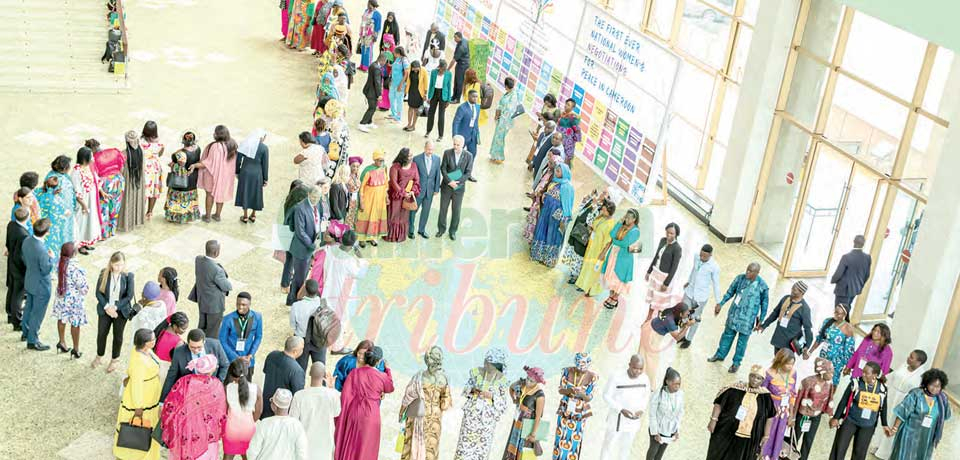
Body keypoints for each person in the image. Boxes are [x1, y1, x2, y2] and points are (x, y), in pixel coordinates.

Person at [160, 354, 228, 459]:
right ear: (211, 370)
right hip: (206, 436)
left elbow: (170, 405)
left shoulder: (184, 381)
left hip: (184, 433)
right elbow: (221, 413)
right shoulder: (217, 385)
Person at [334, 346, 395, 460]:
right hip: (371, 414)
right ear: (379, 361)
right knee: (366, 448)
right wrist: (388, 370)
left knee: (351, 444)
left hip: (354, 411)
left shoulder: (354, 373)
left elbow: (346, 395)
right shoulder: (382, 376)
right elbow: (390, 387)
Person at [708, 262, 770, 373]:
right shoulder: (740, 279)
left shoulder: (763, 287)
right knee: (726, 336)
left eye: (751, 271)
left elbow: (764, 305)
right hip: (734, 315)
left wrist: (761, 320)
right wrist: (721, 304)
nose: (747, 272)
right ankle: (720, 354)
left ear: (757, 273)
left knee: (742, 343)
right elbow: (730, 292)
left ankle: (736, 363)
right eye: (747, 269)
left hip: (747, 320)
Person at [705, 364, 776, 460]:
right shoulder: (735, 388)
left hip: (750, 437)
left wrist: (766, 435)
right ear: (748, 376)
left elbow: (770, 416)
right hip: (728, 431)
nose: (755, 380)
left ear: (763, 380)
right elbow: (719, 403)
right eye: (752, 376)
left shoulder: (765, 396)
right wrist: (713, 420)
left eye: (758, 378)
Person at [453, 348, 510, 460]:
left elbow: (503, 404)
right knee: (464, 447)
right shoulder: (476, 372)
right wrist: (474, 390)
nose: (486, 364)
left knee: (481, 450)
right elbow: (465, 390)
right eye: (486, 361)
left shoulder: (502, 380)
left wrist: (492, 396)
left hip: (487, 420)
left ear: (496, 364)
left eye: (489, 363)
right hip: (471, 416)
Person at [114, 329, 162, 460]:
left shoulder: (144, 351)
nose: (155, 340)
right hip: (143, 398)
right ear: (146, 343)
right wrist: (138, 407)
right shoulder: (139, 361)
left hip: (151, 393)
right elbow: (136, 385)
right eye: (152, 339)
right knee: (140, 427)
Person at [828, 361, 892, 460]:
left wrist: (885, 424)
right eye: (863, 371)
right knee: (839, 448)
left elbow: (883, 407)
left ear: (874, 375)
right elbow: (844, 401)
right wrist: (836, 418)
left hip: (868, 425)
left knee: (860, 453)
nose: (863, 374)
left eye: (867, 373)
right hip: (850, 420)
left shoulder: (882, 388)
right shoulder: (856, 383)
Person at [399, 346, 452, 460]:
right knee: (430, 449)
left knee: (412, 446)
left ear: (427, 360)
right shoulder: (444, 380)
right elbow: (445, 405)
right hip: (434, 420)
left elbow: (407, 397)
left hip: (418, 416)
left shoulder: (419, 377)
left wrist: (401, 413)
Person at [321, 230, 369, 353]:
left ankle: (324, 335)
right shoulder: (349, 261)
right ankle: (337, 347)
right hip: (340, 293)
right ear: (352, 245)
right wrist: (362, 259)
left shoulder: (331, 250)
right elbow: (361, 274)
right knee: (340, 319)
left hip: (328, 287)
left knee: (328, 314)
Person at [887, 368, 951, 460]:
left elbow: (945, 415)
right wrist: (895, 428)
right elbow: (902, 412)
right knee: (905, 456)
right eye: (932, 385)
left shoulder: (942, 399)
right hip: (910, 434)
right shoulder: (916, 394)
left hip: (927, 436)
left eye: (938, 386)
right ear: (926, 383)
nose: (934, 388)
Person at [875, 350, 929, 459]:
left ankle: (885, 452)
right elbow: (891, 377)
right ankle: (876, 445)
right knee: (883, 419)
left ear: (919, 362)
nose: (908, 358)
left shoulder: (921, 376)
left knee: (893, 423)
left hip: (903, 401)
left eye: (912, 357)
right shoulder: (904, 365)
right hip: (891, 395)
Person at [598, 355, 650, 460]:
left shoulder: (645, 379)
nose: (638, 372)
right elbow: (606, 396)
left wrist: (641, 410)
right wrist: (621, 409)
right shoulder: (616, 376)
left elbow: (646, 396)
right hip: (617, 420)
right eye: (635, 368)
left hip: (633, 421)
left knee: (626, 448)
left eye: (640, 369)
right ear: (629, 365)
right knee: (609, 446)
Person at [92, 251, 135, 372]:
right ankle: (99, 356)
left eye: (121, 265)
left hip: (120, 311)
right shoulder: (104, 273)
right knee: (101, 334)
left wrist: (115, 307)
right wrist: (107, 307)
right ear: (111, 263)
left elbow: (129, 296)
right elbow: (98, 293)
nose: (119, 268)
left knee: (118, 336)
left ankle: (114, 359)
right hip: (105, 308)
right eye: (116, 265)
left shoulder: (128, 276)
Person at [161, 328, 230, 401]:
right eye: (192, 347)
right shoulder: (179, 352)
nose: (196, 350)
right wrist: (162, 401)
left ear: (204, 342)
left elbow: (225, 365)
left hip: (211, 390)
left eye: (199, 347)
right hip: (189, 393)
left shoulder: (215, 345)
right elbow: (171, 376)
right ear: (188, 343)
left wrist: (217, 383)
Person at [291, 362, 341, 460]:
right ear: (324, 375)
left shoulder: (299, 395)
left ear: (309, 373)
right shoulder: (333, 394)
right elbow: (337, 412)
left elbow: (293, 420)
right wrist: (331, 388)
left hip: (305, 441)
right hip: (326, 441)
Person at [552, 353, 597, 460]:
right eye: (578, 367)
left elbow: (589, 398)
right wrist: (569, 390)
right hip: (565, 409)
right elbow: (560, 390)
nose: (580, 370)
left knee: (574, 443)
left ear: (588, 364)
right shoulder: (566, 371)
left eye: (583, 367)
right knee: (560, 438)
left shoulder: (593, 377)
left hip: (579, 413)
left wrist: (580, 393)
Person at [530, 163, 575, 267]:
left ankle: (549, 260)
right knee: (543, 232)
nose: (556, 172)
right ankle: (539, 255)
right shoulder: (555, 181)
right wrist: (545, 195)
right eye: (557, 170)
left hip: (556, 215)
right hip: (547, 212)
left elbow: (567, 205)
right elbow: (551, 193)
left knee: (552, 235)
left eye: (559, 171)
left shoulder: (567, 187)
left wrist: (563, 220)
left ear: (564, 173)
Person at [792, 358, 836, 460]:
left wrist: (830, 415)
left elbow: (829, 400)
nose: (832, 375)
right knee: (795, 438)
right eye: (830, 372)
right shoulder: (807, 382)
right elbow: (798, 400)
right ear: (822, 371)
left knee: (808, 441)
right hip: (803, 415)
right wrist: (793, 417)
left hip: (816, 416)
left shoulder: (829, 384)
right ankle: (789, 457)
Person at [191, 125, 238, 222]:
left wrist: (195, 165)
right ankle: (217, 215)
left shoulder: (215, 146)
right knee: (221, 193)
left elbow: (208, 162)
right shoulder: (232, 144)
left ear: (218, 135)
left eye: (215, 133)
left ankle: (207, 216)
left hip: (211, 175)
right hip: (225, 176)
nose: (213, 134)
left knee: (209, 195)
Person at [640, 302, 693, 387]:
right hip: (652, 335)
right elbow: (678, 337)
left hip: (649, 328)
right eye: (686, 315)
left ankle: (640, 374)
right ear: (680, 313)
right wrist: (687, 326)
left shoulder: (670, 311)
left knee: (643, 354)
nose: (687, 316)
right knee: (652, 360)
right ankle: (648, 384)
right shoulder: (670, 321)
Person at [284, 186, 321, 306]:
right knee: (299, 279)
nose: (316, 199)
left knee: (302, 276)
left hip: (310, 247)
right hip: (301, 249)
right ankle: (295, 301)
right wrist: (311, 245)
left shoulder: (316, 205)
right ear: (309, 195)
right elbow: (300, 231)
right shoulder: (300, 208)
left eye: (318, 197)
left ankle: (292, 299)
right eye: (314, 197)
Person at [759, 349, 799, 460]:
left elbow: (793, 394)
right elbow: (762, 393)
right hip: (771, 409)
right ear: (780, 361)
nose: (790, 366)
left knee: (779, 435)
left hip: (784, 411)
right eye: (787, 364)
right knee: (768, 434)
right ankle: (762, 456)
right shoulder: (769, 373)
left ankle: (774, 457)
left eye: (792, 364)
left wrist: (791, 415)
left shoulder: (793, 373)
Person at [679, 243, 721, 348]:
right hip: (689, 292)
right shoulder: (696, 257)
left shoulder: (714, 267)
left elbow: (716, 284)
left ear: (710, 255)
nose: (702, 258)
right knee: (684, 314)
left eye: (705, 257)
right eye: (701, 255)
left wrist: (718, 302)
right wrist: (688, 281)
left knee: (694, 318)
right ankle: (682, 335)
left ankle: (689, 339)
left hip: (700, 298)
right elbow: (693, 270)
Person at [21, 218, 53, 350]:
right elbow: (46, 270)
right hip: (41, 285)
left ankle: (25, 332)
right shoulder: (42, 250)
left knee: (28, 308)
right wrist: (51, 257)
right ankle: (32, 341)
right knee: (37, 313)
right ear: (46, 232)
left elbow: (23, 257)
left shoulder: (27, 240)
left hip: (30, 280)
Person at [805, 303, 857, 386]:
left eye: (838, 313)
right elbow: (819, 338)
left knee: (832, 382)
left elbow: (849, 350)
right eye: (835, 312)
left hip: (836, 361)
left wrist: (846, 366)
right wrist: (810, 352)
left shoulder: (848, 328)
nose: (836, 314)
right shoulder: (828, 321)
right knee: (820, 377)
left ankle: (829, 398)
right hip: (824, 356)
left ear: (844, 314)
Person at [248, 389, 308, 460]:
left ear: (274, 406)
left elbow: (252, 452)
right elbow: (302, 454)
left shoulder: (264, 424)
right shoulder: (297, 426)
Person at [561, 189, 606, 284]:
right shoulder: (594, 201)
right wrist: (588, 197)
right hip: (577, 229)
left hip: (584, 233)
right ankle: (572, 271)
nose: (602, 193)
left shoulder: (601, 210)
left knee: (579, 252)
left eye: (605, 193)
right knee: (573, 249)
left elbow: (591, 222)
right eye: (603, 191)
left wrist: (594, 207)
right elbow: (580, 210)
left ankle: (576, 275)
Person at [600, 208, 641, 309]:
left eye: (628, 218)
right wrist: (619, 223)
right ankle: (611, 296)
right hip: (613, 254)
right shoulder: (622, 225)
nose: (626, 219)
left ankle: (615, 298)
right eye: (625, 217)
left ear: (634, 219)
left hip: (623, 258)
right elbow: (612, 234)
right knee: (610, 275)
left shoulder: (635, 231)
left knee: (619, 278)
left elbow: (625, 243)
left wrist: (614, 241)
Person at [51, 242, 87, 358]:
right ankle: (76, 349)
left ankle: (61, 342)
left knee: (62, 318)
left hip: (62, 297)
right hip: (73, 301)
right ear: (75, 253)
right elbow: (83, 288)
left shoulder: (60, 263)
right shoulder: (75, 268)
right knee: (75, 323)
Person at [502, 366, 547, 460]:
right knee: (512, 447)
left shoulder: (540, 395)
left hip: (528, 425)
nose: (528, 382)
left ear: (537, 382)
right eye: (528, 379)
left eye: (532, 381)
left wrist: (533, 434)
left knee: (524, 451)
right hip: (517, 421)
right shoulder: (522, 384)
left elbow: (538, 416)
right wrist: (514, 399)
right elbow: (511, 388)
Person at [223, 358, 263, 459]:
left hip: (231, 429)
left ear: (231, 375)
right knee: (248, 456)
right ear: (246, 372)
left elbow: (225, 410)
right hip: (248, 428)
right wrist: (250, 421)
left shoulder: (227, 388)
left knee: (228, 455)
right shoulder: (256, 389)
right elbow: (259, 411)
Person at [36, 156, 77, 255]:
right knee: (61, 234)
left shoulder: (52, 176)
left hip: (62, 212)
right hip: (60, 215)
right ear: (63, 169)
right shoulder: (58, 180)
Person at [760, 281, 814, 355]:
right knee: (776, 359)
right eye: (792, 288)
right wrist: (764, 325)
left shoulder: (805, 309)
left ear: (801, 293)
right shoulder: (785, 298)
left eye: (795, 290)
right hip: (778, 338)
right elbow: (775, 313)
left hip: (789, 344)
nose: (792, 291)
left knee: (784, 364)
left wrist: (807, 346)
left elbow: (807, 329)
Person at [436, 135, 474, 240]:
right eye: (454, 144)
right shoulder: (447, 153)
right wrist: (450, 181)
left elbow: (468, 172)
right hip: (447, 186)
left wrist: (458, 182)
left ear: (463, 145)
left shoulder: (469, 156)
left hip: (459, 188)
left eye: (458, 145)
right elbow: (443, 168)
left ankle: (453, 231)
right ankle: (441, 229)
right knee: (443, 209)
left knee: (456, 211)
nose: (456, 147)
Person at [192, 240, 232, 337]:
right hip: (215, 306)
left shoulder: (198, 260)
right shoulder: (217, 270)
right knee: (213, 331)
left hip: (202, 300)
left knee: (202, 326)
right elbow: (227, 286)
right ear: (216, 252)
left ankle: (198, 342)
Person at [220, 292, 265, 378]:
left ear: (249, 304)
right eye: (238, 304)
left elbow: (258, 337)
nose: (240, 307)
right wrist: (236, 357)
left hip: (248, 361)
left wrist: (250, 355)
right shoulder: (227, 319)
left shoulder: (257, 317)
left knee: (247, 386)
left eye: (244, 305)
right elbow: (222, 341)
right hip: (232, 360)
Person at [261, 336, 307, 418]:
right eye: (302, 349)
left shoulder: (271, 355)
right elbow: (298, 396)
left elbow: (266, 372)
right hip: (281, 413)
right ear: (295, 351)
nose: (303, 351)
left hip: (265, 407)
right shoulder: (297, 371)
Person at [523, 150, 562, 243]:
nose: (549, 164)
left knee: (537, 222)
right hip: (537, 201)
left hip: (541, 204)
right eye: (549, 162)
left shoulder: (554, 179)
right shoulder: (548, 171)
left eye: (552, 163)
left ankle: (533, 239)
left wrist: (541, 195)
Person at [645, 223, 683, 316]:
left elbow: (674, 268)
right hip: (655, 273)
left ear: (676, 234)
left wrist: (666, 283)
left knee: (661, 301)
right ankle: (649, 316)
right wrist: (649, 271)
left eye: (672, 233)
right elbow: (656, 257)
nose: (669, 235)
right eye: (668, 232)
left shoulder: (677, 248)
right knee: (653, 297)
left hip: (664, 277)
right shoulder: (662, 240)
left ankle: (659, 319)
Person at [165, 131, 202, 224]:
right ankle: (190, 215)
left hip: (181, 180)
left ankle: (177, 217)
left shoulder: (181, 153)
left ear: (183, 141)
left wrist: (173, 165)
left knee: (178, 197)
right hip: (193, 178)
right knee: (190, 197)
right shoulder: (198, 149)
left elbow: (180, 166)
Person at [646, 367, 684, 460]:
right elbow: (652, 415)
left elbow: (680, 413)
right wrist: (655, 432)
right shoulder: (658, 394)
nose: (677, 387)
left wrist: (677, 429)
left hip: (669, 430)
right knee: (653, 452)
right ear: (667, 382)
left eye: (679, 384)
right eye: (675, 384)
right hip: (657, 430)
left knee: (659, 455)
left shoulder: (680, 394)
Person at [70, 147, 102, 254]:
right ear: (85, 158)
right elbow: (76, 190)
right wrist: (83, 205)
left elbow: (96, 180)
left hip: (91, 199)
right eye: (91, 156)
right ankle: (79, 244)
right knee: (81, 222)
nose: (93, 158)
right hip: (82, 201)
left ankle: (86, 241)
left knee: (89, 221)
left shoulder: (89, 167)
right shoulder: (76, 172)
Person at [385, 148, 420, 243]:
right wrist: (403, 193)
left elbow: (416, 180)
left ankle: (400, 236)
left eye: (412, 155)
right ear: (403, 157)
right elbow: (393, 182)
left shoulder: (414, 165)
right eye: (409, 156)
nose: (411, 157)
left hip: (408, 196)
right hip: (396, 196)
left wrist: (412, 191)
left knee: (403, 216)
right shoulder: (395, 167)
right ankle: (391, 236)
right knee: (394, 215)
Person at [235, 129, 269, 224]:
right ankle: (253, 215)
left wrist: (237, 171)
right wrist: (265, 178)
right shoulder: (264, 148)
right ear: (261, 137)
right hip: (257, 173)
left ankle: (245, 216)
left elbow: (238, 160)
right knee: (256, 193)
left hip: (245, 172)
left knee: (245, 192)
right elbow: (265, 164)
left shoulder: (245, 144)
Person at [355, 150, 389, 246]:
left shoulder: (384, 168)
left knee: (376, 219)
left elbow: (386, 184)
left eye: (382, 160)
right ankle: (362, 239)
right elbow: (361, 187)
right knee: (366, 218)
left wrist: (386, 197)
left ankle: (372, 237)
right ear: (375, 160)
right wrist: (361, 201)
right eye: (379, 160)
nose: (381, 162)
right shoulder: (367, 170)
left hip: (379, 201)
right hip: (368, 201)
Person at [409, 141, 441, 239]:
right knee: (413, 210)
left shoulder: (437, 159)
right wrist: (413, 190)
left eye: (431, 149)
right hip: (418, 191)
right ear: (424, 148)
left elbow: (437, 174)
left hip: (430, 191)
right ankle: (410, 230)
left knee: (426, 212)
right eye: (428, 149)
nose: (430, 151)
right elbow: (413, 176)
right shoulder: (417, 159)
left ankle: (421, 230)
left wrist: (436, 189)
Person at [5, 207, 29, 331]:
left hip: (11, 262)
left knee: (12, 289)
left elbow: (8, 242)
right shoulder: (24, 235)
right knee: (18, 294)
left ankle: (9, 313)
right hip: (19, 267)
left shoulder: (11, 225)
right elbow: (22, 255)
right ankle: (16, 320)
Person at [831, 235, 872, 306]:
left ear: (854, 242)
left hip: (843, 291)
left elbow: (838, 274)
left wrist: (833, 280)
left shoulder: (846, 257)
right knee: (846, 310)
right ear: (863, 244)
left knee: (839, 313)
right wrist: (859, 285)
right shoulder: (867, 258)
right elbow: (867, 275)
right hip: (855, 290)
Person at [489, 77, 522, 163]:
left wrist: (499, 116)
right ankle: (493, 154)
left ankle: (499, 157)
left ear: (507, 86)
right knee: (497, 137)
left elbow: (509, 110)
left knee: (500, 138)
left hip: (505, 121)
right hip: (501, 119)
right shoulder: (509, 93)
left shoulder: (514, 96)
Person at [116, 132, 144, 233]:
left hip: (128, 182)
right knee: (136, 199)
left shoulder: (123, 154)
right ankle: (136, 221)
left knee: (126, 201)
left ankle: (125, 223)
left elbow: (121, 171)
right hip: (137, 181)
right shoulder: (141, 152)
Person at [140, 121, 166, 220]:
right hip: (155, 169)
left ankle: (141, 212)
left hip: (145, 169)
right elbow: (160, 154)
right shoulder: (159, 143)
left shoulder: (141, 142)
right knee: (154, 190)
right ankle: (150, 212)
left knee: (144, 191)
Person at [425, 59, 453, 142]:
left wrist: (448, 100)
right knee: (431, 113)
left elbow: (449, 86)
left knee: (441, 115)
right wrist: (429, 96)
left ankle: (440, 135)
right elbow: (431, 85)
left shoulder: (448, 74)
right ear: (439, 67)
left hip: (443, 95)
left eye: (445, 69)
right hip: (434, 93)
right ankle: (428, 131)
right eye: (442, 69)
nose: (444, 71)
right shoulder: (434, 72)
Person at [358, 53, 385, 132]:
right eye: (385, 62)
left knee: (372, 107)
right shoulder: (377, 68)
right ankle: (362, 123)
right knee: (372, 108)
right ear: (382, 60)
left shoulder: (373, 64)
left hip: (369, 89)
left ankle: (369, 122)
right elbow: (377, 83)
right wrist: (379, 94)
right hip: (372, 92)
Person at [452, 90, 481, 157]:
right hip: (462, 135)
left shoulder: (477, 107)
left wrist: (477, 133)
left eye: (476, 97)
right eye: (473, 96)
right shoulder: (462, 108)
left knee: (472, 154)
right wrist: (455, 135)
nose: (475, 98)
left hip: (473, 135)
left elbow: (476, 121)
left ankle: (469, 167)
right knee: (457, 154)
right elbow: (456, 122)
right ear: (468, 96)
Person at [403, 60, 428, 132]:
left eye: (416, 69)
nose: (415, 70)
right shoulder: (410, 69)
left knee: (416, 109)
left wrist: (425, 94)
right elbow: (407, 80)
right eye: (414, 68)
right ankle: (409, 124)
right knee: (410, 107)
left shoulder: (423, 71)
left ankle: (413, 125)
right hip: (411, 91)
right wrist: (405, 91)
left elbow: (426, 83)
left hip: (419, 93)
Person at [357, 0, 382, 71]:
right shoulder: (366, 11)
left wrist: (375, 36)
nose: (368, 5)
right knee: (362, 49)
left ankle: (367, 67)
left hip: (370, 35)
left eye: (369, 4)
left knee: (368, 50)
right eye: (368, 4)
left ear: (373, 5)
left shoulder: (377, 15)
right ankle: (361, 65)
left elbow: (378, 27)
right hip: (363, 34)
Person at [557, 98, 582, 165]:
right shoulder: (562, 114)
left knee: (564, 161)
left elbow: (577, 130)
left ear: (572, 107)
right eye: (566, 104)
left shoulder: (573, 117)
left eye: (568, 105)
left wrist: (570, 141)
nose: (566, 106)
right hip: (559, 138)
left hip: (567, 142)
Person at [388, 46, 409, 123]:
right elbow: (394, 68)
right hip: (393, 82)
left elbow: (406, 73)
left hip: (400, 84)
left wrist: (401, 84)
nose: (393, 54)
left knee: (399, 100)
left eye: (394, 53)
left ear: (398, 53)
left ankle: (398, 117)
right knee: (391, 97)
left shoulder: (404, 60)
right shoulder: (397, 59)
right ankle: (394, 113)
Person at [449, 32, 470, 104]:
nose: (454, 39)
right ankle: (454, 96)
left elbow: (453, 60)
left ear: (459, 37)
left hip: (462, 66)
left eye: (455, 37)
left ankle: (457, 99)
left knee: (459, 82)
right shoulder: (464, 40)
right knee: (456, 81)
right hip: (461, 64)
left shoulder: (461, 47)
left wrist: (448, 69)